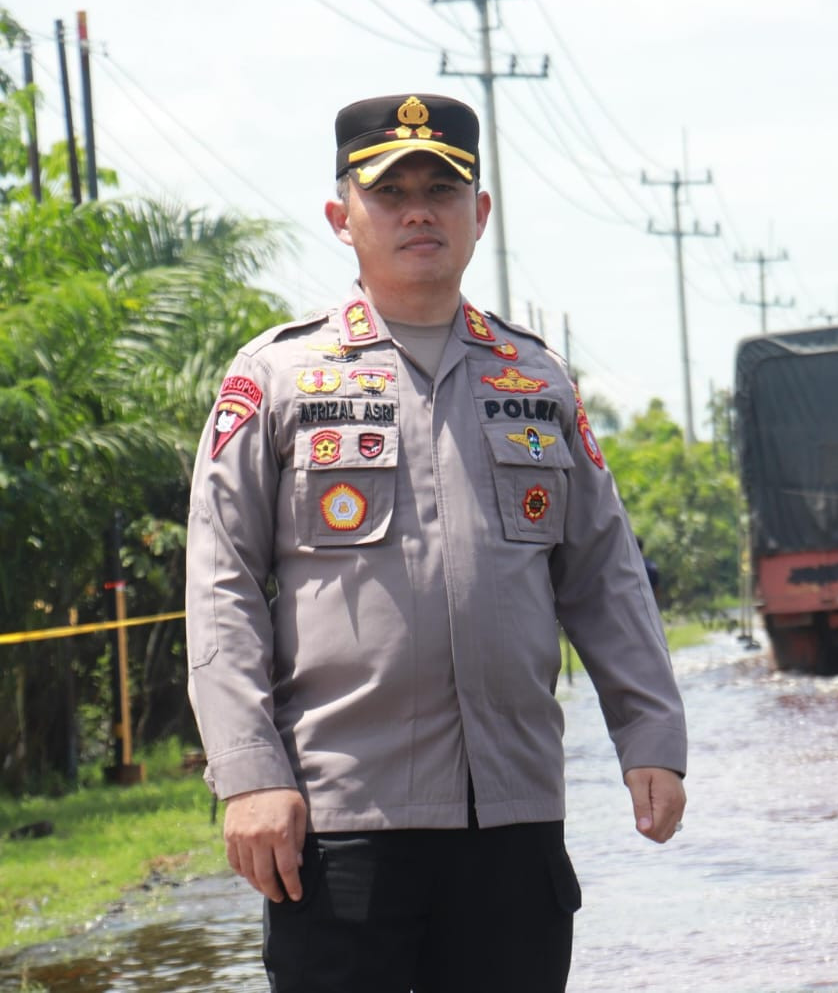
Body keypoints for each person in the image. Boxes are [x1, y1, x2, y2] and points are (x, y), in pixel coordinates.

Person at [185, 93, 687, 992]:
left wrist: (651, 734)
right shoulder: (279, 376)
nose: (419, 210)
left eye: (443, 189)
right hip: (342, 818)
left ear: (479, 213)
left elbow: (604, 573)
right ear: (344, 217)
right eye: (391, 192)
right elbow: (219, 583)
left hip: (513, 820)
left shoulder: (536, 380)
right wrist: (250, 772)